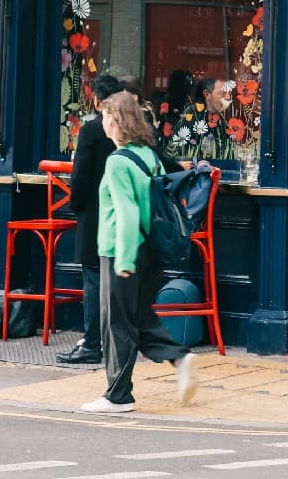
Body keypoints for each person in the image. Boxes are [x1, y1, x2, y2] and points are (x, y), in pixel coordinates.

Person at [79, 92, 200, 413]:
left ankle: (118, 395)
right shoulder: (149, 155)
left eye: (105, 115)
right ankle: (179, 355)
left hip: (122, 249)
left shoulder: (117, 162)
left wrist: (124, 260)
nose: (102, 122)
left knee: (116, 323)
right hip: (152, 249)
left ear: (116, 120)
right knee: (139, 317)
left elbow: (127, 213)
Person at [58, 72, 123, 366]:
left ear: (96, 100)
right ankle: (112, 341)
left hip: (96, 216)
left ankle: (93, 343)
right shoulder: (132, 128)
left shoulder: (92, 130)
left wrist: (75, 205)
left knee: (93, 279)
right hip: (124, 216)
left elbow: (80, 177)